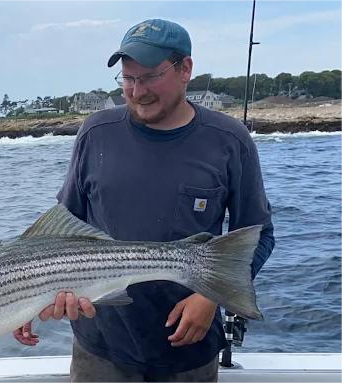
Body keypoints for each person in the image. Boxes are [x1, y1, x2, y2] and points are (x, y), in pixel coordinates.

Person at [15, 19, 275, 382]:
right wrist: (22, 299)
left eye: (151, 77)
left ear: (185, 69)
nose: (138, 92)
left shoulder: (229, 140)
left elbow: (259, 235)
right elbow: (59, 231)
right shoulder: (95, 133)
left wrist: (210, 298)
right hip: (101, 346)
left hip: (189, 347)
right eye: (128, 79)